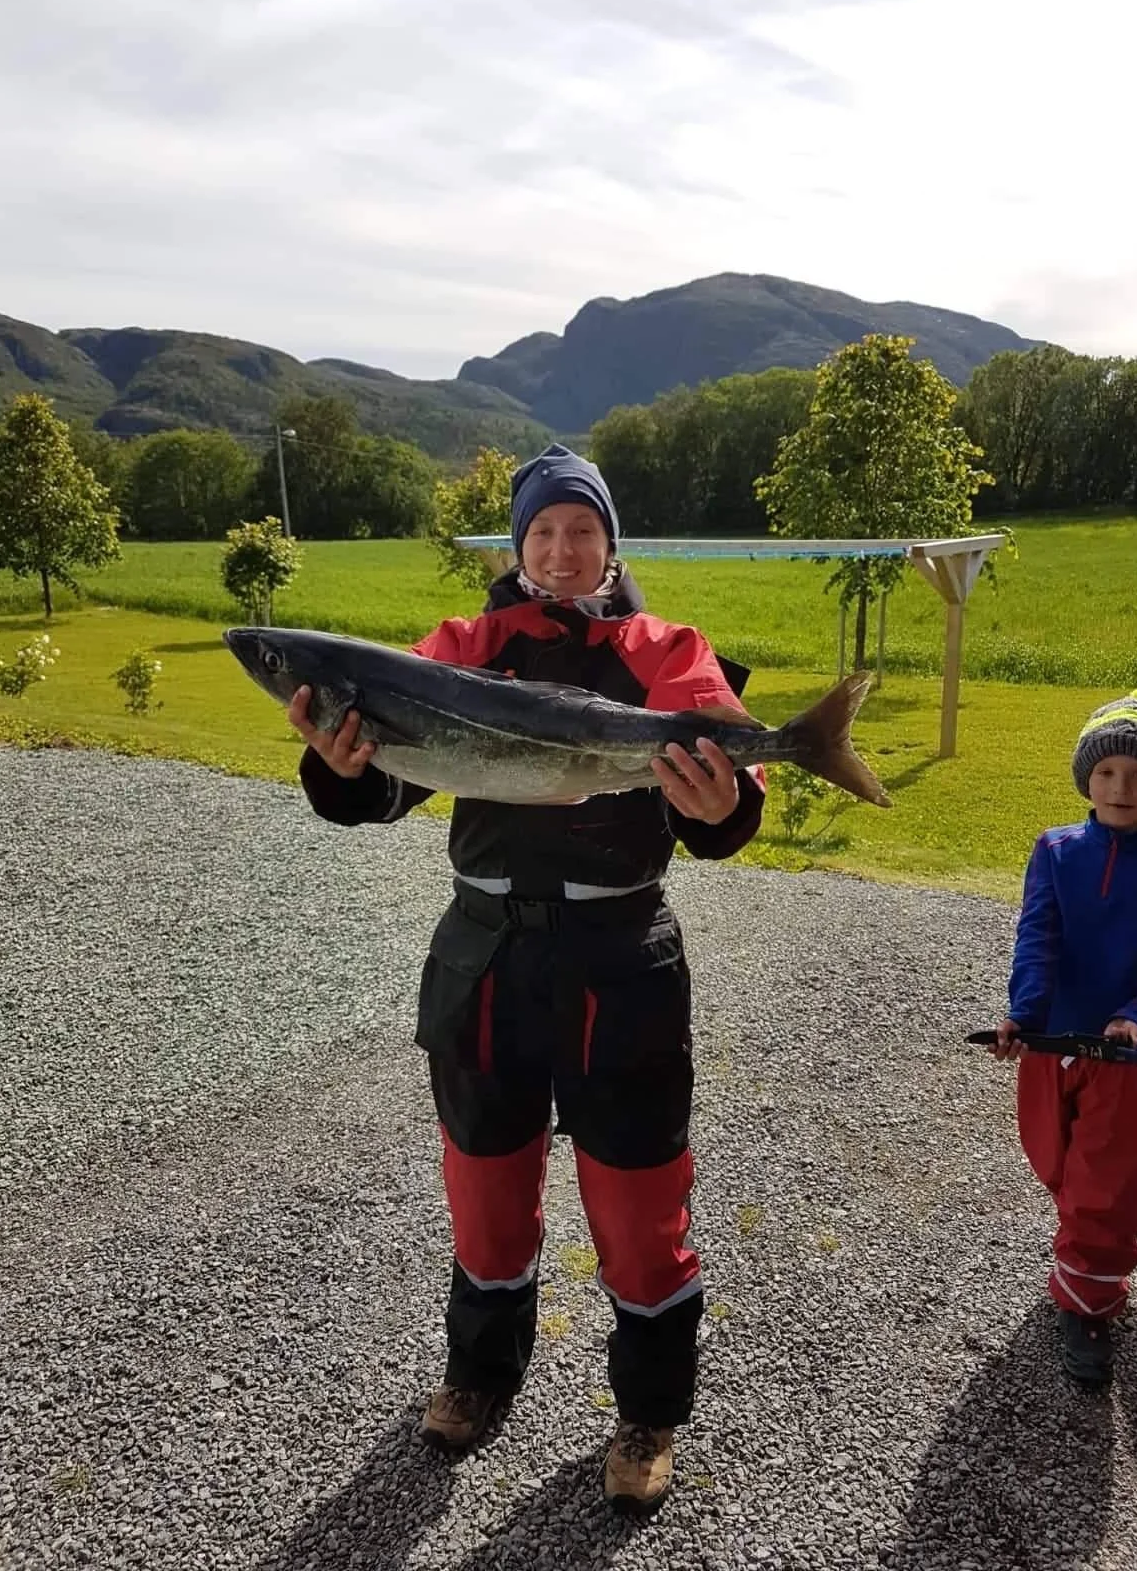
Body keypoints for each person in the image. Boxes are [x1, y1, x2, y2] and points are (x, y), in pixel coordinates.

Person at [288, 443, 765, 1514]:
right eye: (542, 529)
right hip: (485, 954)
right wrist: (339, 761)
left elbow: (734, 806)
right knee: (486, 1188)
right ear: (517, 542)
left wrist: (721, 802)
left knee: (641, 1203)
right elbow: (381, 791)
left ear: (610, 543)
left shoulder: (666, 648)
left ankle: (648, 1411)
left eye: (582, 528)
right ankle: (480, 1372)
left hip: (621, 962)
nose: (561, 548)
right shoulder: (465, 646)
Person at [990, 689, 1137, 1384]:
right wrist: (1024, 1013)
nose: (1121, 788)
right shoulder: (1053, 850)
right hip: (1052, 1052)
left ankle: (1085, 1304)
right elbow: (1037, 936)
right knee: (1058, 1165)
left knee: (1107, 1188)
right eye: (1107, 772)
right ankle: (1088, 1257)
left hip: (1127, 1063)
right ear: (1087, 777)